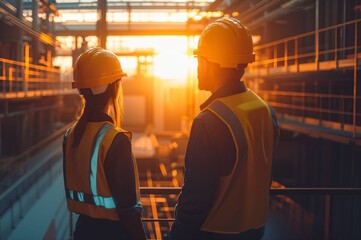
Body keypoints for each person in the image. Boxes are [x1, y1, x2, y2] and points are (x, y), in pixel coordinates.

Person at [169, 18, 280, 240]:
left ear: (213, 63)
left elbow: (195, 199)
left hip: (214, 233)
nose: (198, 67)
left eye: (200, 59)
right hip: (256, 231)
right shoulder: (266, 111)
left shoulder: (209, 121)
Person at [63, 47, 146, 240]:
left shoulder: (71, 136)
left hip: (83, 231)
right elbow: (128, 210)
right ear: (113, 87)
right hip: (114, 233)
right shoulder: (115, 140)